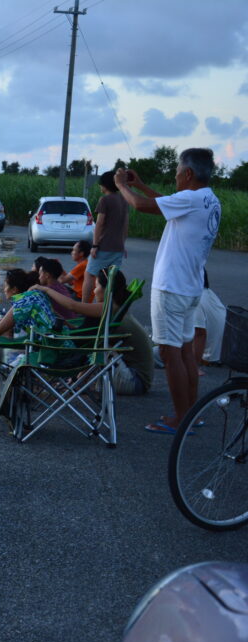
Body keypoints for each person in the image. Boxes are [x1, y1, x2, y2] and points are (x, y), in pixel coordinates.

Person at [114, 148, 221, 435]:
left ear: (187, 174)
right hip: (191, 287)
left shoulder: (191, 198)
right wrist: (139, 184)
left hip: (172, 287)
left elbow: (140, 205)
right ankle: (191, 414)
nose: (175, 177)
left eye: (176, 172)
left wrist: (122, 186)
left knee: (170, 353)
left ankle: (179, 419)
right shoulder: (209, 199)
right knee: (185, 352)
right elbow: (165, 202)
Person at [33, 268, 153, 396]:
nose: (94, 291)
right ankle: (77, 382)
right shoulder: (117, 307)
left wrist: (46, 289)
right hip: (133, 379)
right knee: (99, 342)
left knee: (101, 345)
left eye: (96, 286)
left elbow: (73, 305)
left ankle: (77, 382)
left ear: (107, 289)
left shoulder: (109, 308)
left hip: (133, 381)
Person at [0, 269, 58, 343]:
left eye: (6, 286)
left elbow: (9, 334)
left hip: (35, 342)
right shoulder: (33, 295)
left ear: (14, 289)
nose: (4, 289)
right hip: (45, 337)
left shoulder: (23, 302)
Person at [85, 171, 129, 302]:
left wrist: (95, 245)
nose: (100, 187)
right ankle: (104, 309)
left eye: (101, 184)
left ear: (105, 185)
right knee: (109, 280)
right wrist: (123, 243)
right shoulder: (124, 199)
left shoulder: (104, 200)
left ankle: (84, 308)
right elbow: (126, 225)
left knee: (89, 275)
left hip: (103, 246)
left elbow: (99, 224)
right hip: (118, 248)